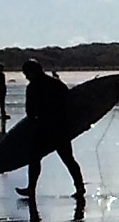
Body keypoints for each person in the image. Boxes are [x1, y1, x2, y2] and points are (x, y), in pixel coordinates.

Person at [19, 58, 88, 202]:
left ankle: (31, 189)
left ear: (32, 72)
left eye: (26, 73)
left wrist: (32, 126)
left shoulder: (33, 87)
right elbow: (71, 105)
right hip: (61, 127)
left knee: (34, 159)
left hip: (44, 127)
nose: (26, 77)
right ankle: (80, 187)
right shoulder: (57, 84)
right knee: (68, 159)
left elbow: (30, 112)